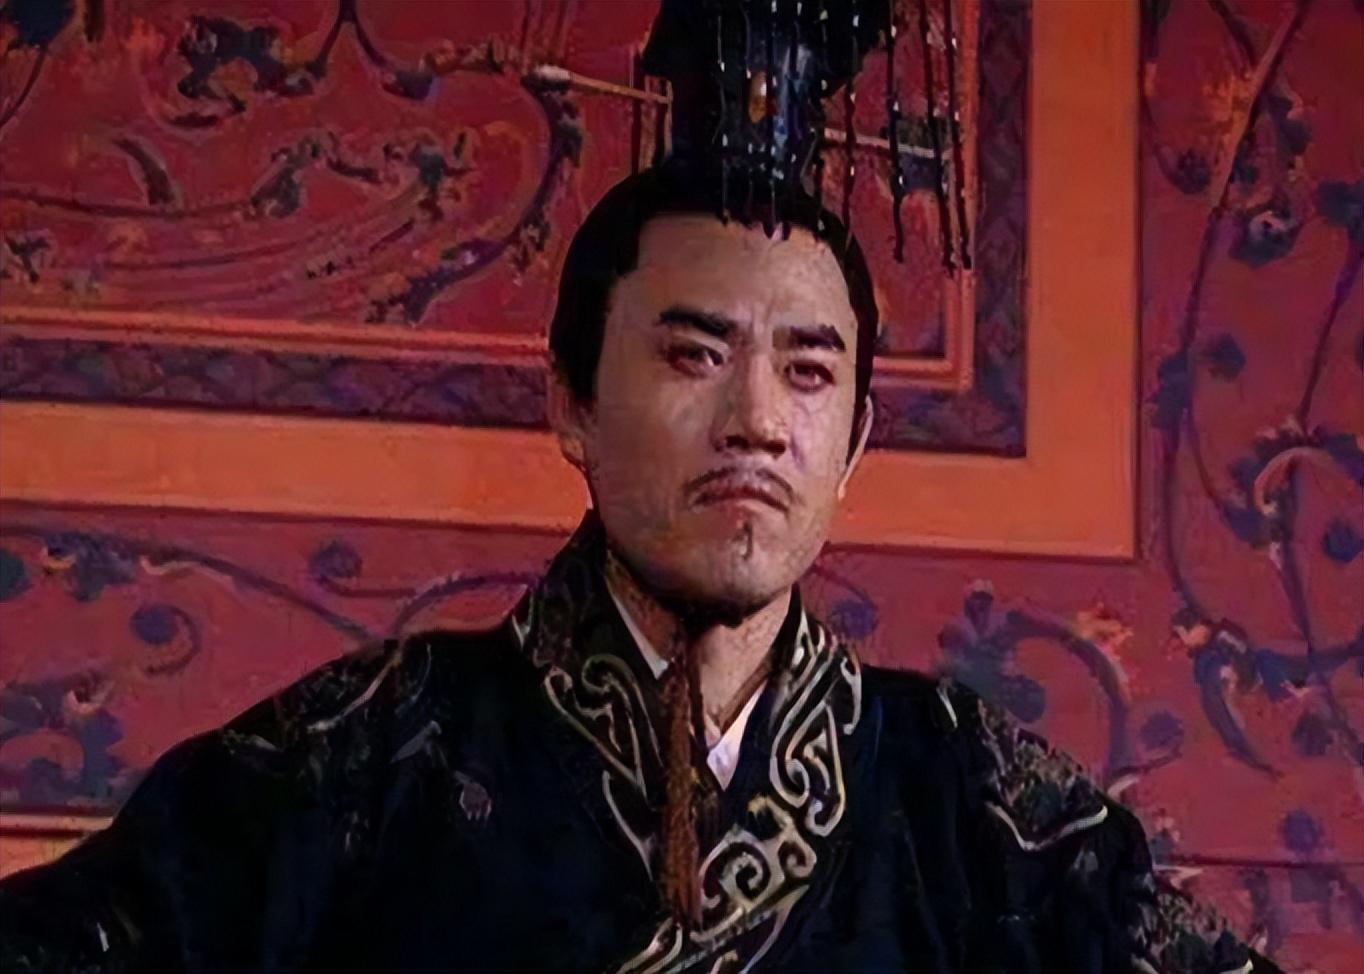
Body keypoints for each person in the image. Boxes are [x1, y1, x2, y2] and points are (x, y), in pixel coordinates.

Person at [0, 161, 1276, 973]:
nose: (756, 419)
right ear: (570, 402)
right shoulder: (378, 751)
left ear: (852, 443)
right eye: (691, 356)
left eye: (808, 371)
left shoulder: (967, 796)